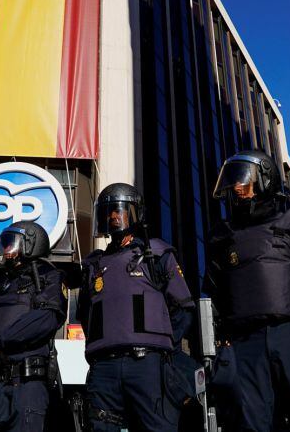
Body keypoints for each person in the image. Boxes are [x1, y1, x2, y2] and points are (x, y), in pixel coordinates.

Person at [203, 150, 290, 432]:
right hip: (244, 340)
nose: (237, 189)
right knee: (251, 422)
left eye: (245, 182)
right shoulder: (222, 236)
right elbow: (213, 290)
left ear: (264, 181)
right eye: (234, 183)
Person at [77, 183, 195, 432]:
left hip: (146, 364)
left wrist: (164, 350)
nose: (114, 216)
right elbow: (85, 314)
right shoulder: (94, 265)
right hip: (103, 368)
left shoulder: (156, 255)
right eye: (109, 211)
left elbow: (183, 308)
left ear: (135, 213)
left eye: (120, 210)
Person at [0, 221, 65, 432]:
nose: (5, 249)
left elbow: (45, 319)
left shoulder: (47, 277)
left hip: (24, 385)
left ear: (29, 244)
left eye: (10, 243)